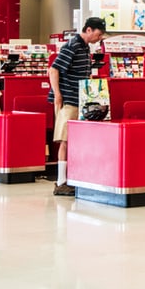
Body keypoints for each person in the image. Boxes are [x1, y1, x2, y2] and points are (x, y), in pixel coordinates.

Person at [47, 17, 107, 196]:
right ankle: (61, 182)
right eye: (98, 34)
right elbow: (54, 69)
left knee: (73, 141)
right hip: (69, 100)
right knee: (65, 141)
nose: (100, 37)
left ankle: (70, 178)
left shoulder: (85, 47)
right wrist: (58, 94)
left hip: (80, 100)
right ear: (89, 30)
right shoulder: (72, 45)